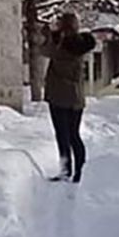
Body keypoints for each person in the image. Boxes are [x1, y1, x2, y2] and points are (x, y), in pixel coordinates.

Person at [41, 11, 96, 182]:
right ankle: (81, 170)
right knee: (74, 135)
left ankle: (66, 170)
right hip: (76, 98)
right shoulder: (81, 45)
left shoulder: (61, 47)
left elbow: (45, 50)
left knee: (62, 135)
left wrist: (50, 35)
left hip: (59, 97)